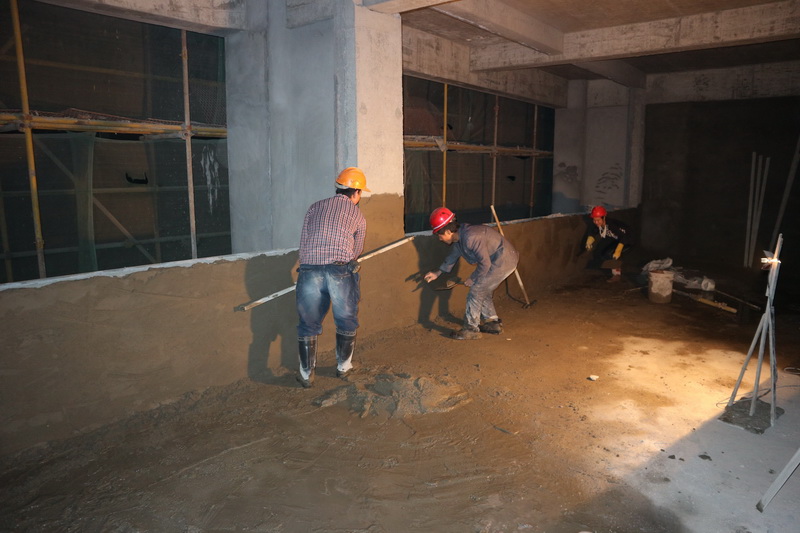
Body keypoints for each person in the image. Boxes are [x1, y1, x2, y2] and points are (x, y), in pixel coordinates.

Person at [295, 167, 369, 388]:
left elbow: (304, 241)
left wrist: (309, 264)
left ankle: (306, 374)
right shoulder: (357, 215)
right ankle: (344, 367)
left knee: (308, 322)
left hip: (309, 269)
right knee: (346, 318)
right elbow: (357, 250)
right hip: (339, 271)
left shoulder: (315, 207)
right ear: (356, 192)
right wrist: (348, 259)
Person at [423, 207, 519, 340]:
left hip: (503, 260)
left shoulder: (470, 237)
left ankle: (471, 329)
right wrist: (437, 273)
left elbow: (485, 264)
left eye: (440, 235)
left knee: (476, 289)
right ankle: (493, 323)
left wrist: (472, 278)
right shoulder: (460, 238)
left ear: (448, 231)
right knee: (483, 288)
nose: (439, 238)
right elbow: (452, 257)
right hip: (498, 260)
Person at [584, 205, 632, 282]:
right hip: (617, 240)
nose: (596, 222)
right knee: (604, 252)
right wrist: (589, 241)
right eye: (594, 220)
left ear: (604, 218)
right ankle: (613, 268)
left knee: (612, 254)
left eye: (598, 220)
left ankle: (617, 275)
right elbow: (593, 232)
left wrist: (618, 250)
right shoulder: (600, 224)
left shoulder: (611, 225)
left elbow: (624, 237)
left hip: (627, 240)